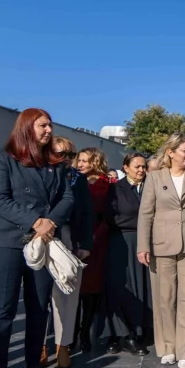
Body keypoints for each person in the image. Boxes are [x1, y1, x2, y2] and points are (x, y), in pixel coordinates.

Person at [0, 108, 74, 368]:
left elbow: (67, 198)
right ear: (26, 128)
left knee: (38, 307)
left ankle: (34, 366)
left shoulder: (55, 164)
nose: (49, 130)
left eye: (50, 125)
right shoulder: (5, 157)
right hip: (5, 244)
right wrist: (35, 220)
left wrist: (49, 222)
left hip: (42, 246)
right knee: (1, 313)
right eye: (43, 125)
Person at [137, 134, 185, 368]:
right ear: (171, 152)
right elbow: (146, 214)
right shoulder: (154, 178)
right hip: (161, 246)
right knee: (165, 298)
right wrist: (143, 245)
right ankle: (168, 347)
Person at [42, 136, 91, 368]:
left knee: (68, 299)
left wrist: (85, 245)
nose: (67, 160)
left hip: (71, 242)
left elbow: (87, 213)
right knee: (40, 297)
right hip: (42, 240)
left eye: (71, 155)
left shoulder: (78, 179)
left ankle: (63, 346)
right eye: (61, 154)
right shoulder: (40, 174)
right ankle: (40, 346)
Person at [104, 152, 150, 355]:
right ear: (125, 167)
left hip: (145, 243)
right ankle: (124, 334)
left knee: (142, 287)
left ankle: (140, 330)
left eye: (143, 166)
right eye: (137, 166)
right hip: (122, 243)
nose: (141, 170)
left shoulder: (149, 187)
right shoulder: (115, 189)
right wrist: (143, 222)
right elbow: (111, 217)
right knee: (124, 287)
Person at [74, 148, 112, 352]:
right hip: (75, 238)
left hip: (98, 239)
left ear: (95, 162)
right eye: (78, 160)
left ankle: (85, 332)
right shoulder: (72, 180)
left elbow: (110, 213)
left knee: (91, 290)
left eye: (85, 161)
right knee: (72, 289)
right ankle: (69, 335)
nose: (80, 164)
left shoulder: (106, 184)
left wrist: (96, 235)